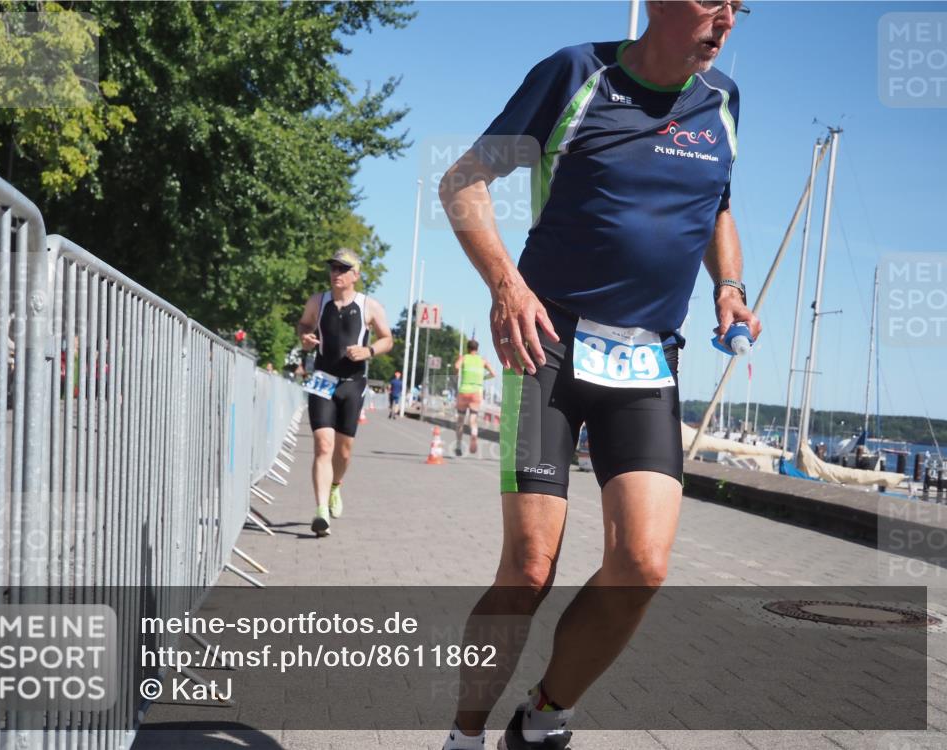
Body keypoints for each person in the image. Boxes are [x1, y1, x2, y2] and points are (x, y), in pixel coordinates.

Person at [437, 2, 760, 748]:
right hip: (547, 344)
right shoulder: (577, 73)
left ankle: (546, 715)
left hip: (648, 355)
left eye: (740, 8)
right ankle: (463, 735)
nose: (727, 21)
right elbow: (464, 183)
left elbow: (718, 205)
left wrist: (729, 286)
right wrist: (507, 288)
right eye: (713, 1)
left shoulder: (725, 103)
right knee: (527, 569)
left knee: (643, 565)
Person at [297, 248, 393, 538]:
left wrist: (369, 350)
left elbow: (387, 338)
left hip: (353, 383)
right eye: (333, 268)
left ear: (356, 275)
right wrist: (305, 336)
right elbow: (304, 323)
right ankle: (321, 511)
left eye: (342, 268)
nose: (336, 273)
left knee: (343, 450)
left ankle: (336, 486)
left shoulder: (369, 306)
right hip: (322, 379)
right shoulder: (318, 301)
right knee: (322, 445)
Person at [454, 340, 495, 456]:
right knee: (473, 419)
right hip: (476, 392)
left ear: (468, 348)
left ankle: (458, 445)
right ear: (477, 349)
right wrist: (483, 378)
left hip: (464, 391)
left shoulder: (464, 358)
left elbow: (456, 366)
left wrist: (457, 373)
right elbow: (493, 373)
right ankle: (474, 433)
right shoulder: (482, 360)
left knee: (460, 420)